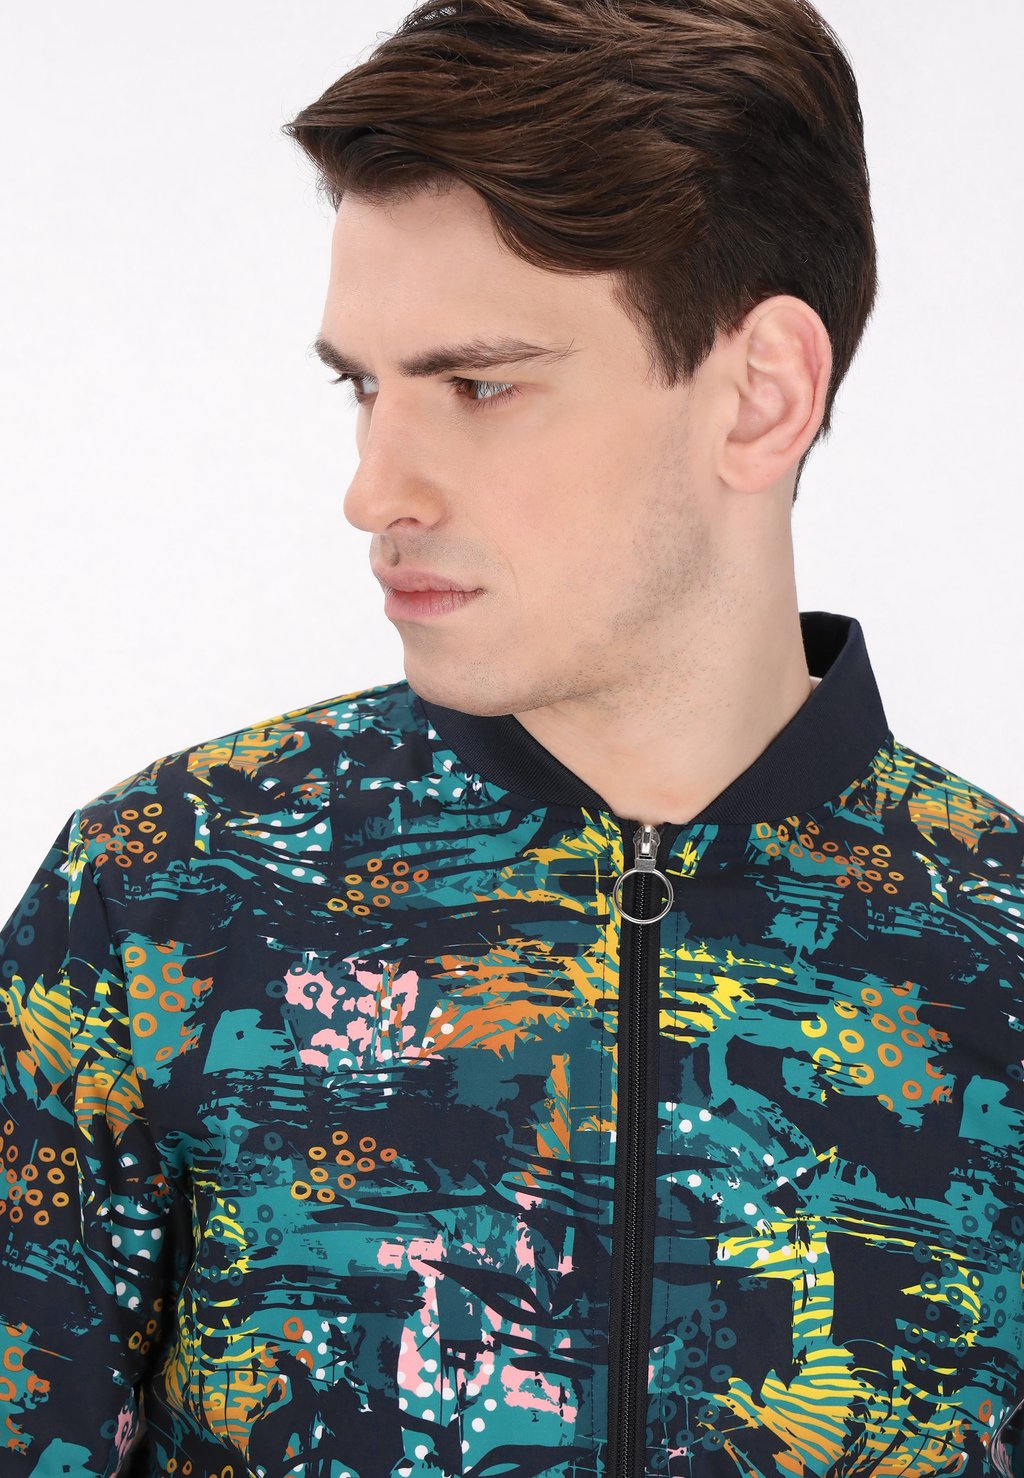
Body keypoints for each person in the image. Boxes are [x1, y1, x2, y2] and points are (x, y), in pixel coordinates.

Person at [1, 0, 1022, 1473]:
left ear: (760, 395)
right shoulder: (165, 895)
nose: (375, 489)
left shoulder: (999, 951)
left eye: (478, 385)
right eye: (365, 386)